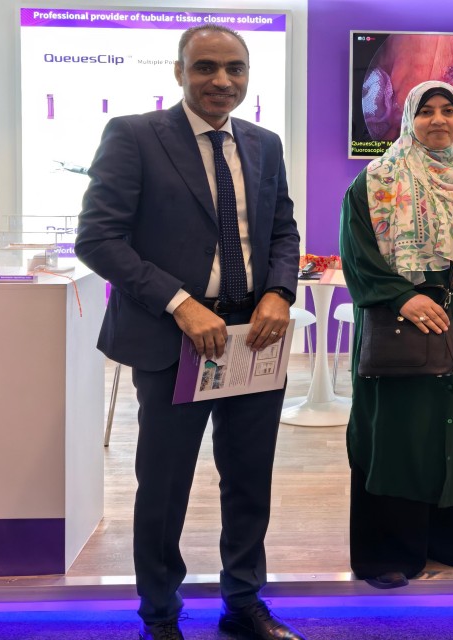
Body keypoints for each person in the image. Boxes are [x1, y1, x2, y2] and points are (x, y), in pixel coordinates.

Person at [75, 25, 306, 640]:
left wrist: (280, 292)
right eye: (205, 67)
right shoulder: (134, 135)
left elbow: (283, 231)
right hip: (171, 336)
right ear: (179, 72)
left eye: (235, 68)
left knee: (250, 479)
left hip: (253, 338)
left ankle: (244, 603)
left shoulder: (264, 144)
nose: (221, 81)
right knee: (165, 484)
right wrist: (180, 303)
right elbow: (97, 238)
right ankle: (160, 614)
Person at [339, 81, 453, 589]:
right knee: (396, 426)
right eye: (426, 111)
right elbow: (357, 254)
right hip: (401, 324)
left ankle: (448, 541)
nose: (438, 120)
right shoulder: (375, 181)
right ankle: (389, 551)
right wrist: (402, 296)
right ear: (408, 119)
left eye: (448, 110)